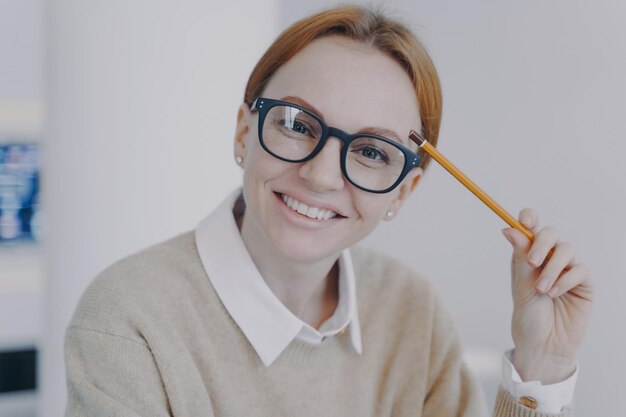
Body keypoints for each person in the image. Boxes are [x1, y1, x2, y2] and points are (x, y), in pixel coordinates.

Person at [64, 5, 593, 417]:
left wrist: (541, 366)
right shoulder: (127, 320)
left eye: (370, 152)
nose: (320, 176)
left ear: (403, 193)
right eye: (297, 123)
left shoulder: (415, 313)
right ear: (244, 132)